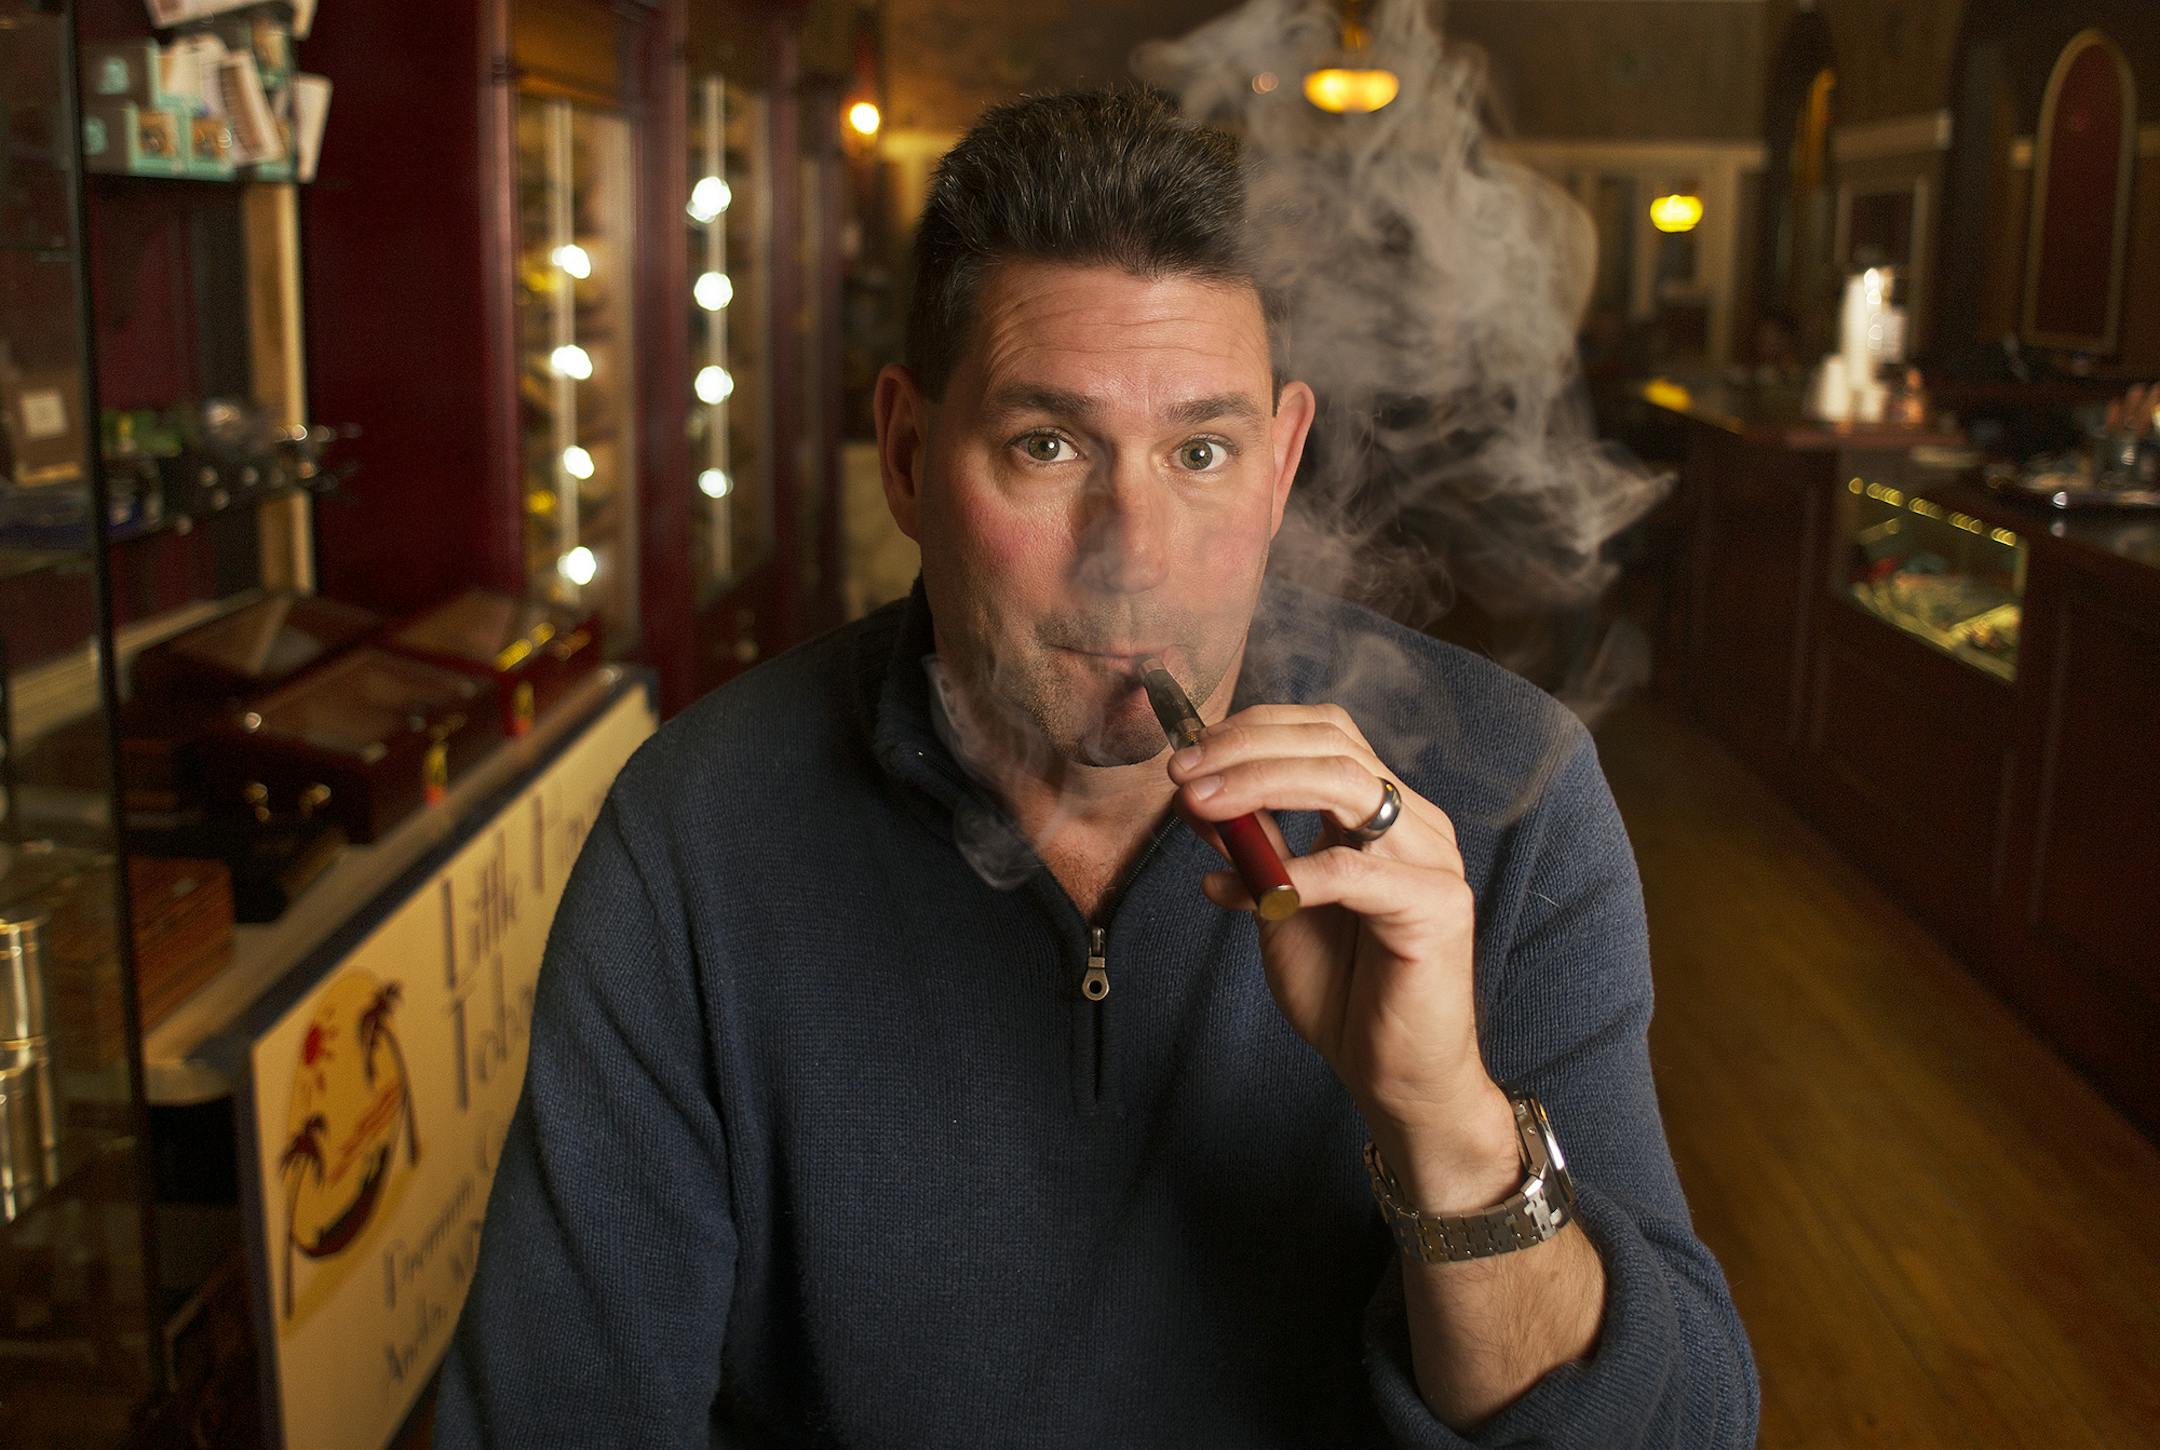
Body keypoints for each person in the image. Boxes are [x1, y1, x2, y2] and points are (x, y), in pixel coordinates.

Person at [435, 88, 1758, 1448]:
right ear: (904, 454)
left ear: (1284, 456)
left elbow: (1681, 1433)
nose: (1135, 547)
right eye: (1047, 445)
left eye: (1201, 451)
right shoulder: (696, 833)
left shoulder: (1508, 798)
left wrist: (1447, 1122)